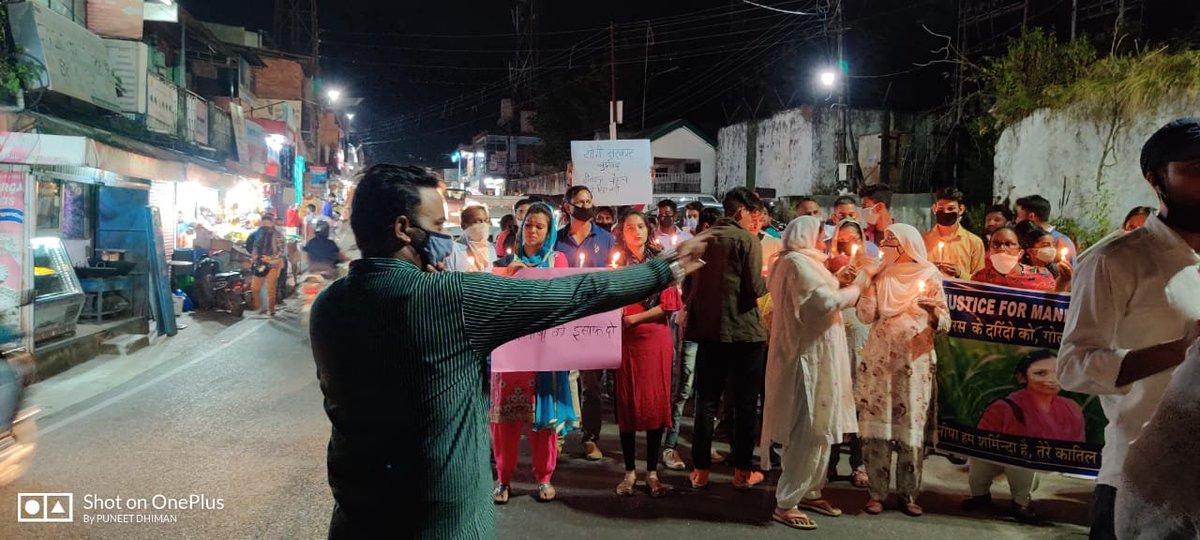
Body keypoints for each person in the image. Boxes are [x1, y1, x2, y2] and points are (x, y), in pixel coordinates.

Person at [309, 164, 709, 538]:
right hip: (443, 522)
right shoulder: (451, 297)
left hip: (357, 519)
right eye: (435, 226)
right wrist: (665, 269)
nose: (446, 237)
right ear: (401, 229)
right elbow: (574, 292)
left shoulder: (328, 307)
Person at [1058, 118, 1200, 540]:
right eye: (1194, 169)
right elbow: (1074, 367)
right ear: (1156, 179)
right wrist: (1183, 349)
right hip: (1140, 480)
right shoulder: (1115, 261)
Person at [762, 216, 863, 530]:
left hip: (819, 357)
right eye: (822, 235)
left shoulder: (804, 262)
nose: (826, 241)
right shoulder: (795, 263)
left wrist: (838, 276)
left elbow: (824, 292)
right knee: (806, 431)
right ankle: (787, 502)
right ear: (806, 235)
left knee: (821, 428)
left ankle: (809, 490)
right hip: (806, 361)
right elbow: (822, 303)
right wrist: (858, 286)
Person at [855, 223, 949, 517]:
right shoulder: (881, 274)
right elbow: (866, 315)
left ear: (907, 245)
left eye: (890, 241)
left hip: (914, 361)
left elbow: (945, 322)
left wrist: (933, 311)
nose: (883, 246)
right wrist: (867, 282)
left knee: (910, 427)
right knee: (877, 427)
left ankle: (909, 493)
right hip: (881, 360)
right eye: (883, 241)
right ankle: (877, 493)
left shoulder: (929, 275)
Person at [490, 202, 574, 505]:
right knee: (505, 422)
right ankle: (503, 479)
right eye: (528, 225)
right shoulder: (504, 263)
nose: (533, 230)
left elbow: (564, 298)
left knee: (544, 422)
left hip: (545, 354)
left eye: (540, 226)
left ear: (550, 231)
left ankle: (544, 477)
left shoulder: (558, 260)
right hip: (511, 354)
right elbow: (492, 302)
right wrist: (510, 276)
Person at [685, 186, 768, 490]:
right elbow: (756, 288)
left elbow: (686, 289)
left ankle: (701, 471)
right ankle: (742, 473)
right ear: (740, 211)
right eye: (753, 214)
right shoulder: (747, 240)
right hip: (745, 333)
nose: (754, 221)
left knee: (706, 401)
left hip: (708, 332)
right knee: (745, 404)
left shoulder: (700, 240)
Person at [961, 350, 1085, 524]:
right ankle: (980, 496)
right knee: (989, 461)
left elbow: (1077, 445)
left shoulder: (1071, 409)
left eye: (1059, 372)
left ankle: (1021, 503)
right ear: (1022, 377)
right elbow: (980, 440)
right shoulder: (1002, 407)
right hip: (1001, 457)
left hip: (1037, 464)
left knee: (1024, 460)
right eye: (1041, 373)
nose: (1052, 379)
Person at [612, 209, 681, 498]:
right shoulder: (616, 263)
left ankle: (652, 472)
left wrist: (633, 320)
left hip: (654, 338)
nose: (636, 232)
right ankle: (629, 471)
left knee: (655, 403)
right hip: (625, 341)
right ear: (622, 232)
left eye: (640, 226)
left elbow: (669, 304)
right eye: (630, 227)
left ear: (647, 230)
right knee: (627, 404)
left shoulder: (661, 261)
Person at [555, 185, 617, 460]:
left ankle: (590, 437)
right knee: (558, 378)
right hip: (562, 317)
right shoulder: (555, 241)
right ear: (568, 206)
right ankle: (556, 434)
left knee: (592, 384)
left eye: (589, 201)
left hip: (595, 318)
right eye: (579, 201)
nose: (585, 205)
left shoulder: (606, 239)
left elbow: (615, 274)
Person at [661, 206, 720, 470]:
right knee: (683, 387)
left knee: (707, 391)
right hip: (691, 328)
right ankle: (669, 445)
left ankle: (702, 444)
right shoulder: (689, 254)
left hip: (714, 330)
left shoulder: (721, 256)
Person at [824, 219, 876, 489]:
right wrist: (835, 277)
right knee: (834, 396)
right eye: (841, 238)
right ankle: (829, 462)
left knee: (860, 399)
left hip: (860, 333)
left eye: (852, 238)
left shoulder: (873, 264)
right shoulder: (827, 263)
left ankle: (859, 463)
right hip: (835, 331)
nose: (846, 243)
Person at [971, 225, 1063, 292]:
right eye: (996, 244)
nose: (1002, 248)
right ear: (989, 251)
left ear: (1020, 252)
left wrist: (1064, 281)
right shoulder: (980, 278)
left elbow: (1054, 308)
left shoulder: (1041, 278)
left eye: (1008, 244)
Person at [924, 186, 986, 279]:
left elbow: (980, 280)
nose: (945, 212)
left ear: (960, 210)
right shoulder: (922, 240)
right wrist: (929, 269)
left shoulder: (974, 242)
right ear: (934, 209)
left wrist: (960, 273)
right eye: (941, 209)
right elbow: (915, 273)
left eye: (951, 208)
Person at [1016, 195, 1078, 263]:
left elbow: (1065, 271)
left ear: (1031, 216)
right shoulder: (1029, 238)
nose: (1017, 221)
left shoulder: (1060, 241)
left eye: (1019, 217)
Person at [1015, 220, 1074, 291]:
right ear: (1031, 251)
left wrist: (1066, 279)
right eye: (1046, 245)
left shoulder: (1055, 269)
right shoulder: (1022, 271)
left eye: (1053, 244)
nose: (1052, 249)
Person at [249, 213, 286, 317]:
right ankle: (259, 307)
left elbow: (280, 252)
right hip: (260, 263)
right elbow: (256, 246)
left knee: (271, 288)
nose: (265, 225)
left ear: (272, 223)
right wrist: (255, 255)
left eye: (267, 223)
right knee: (255, 288)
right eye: (264, 223)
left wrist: (269, 258)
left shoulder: (278, 235)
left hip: (273, 264)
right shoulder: (261, 234)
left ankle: (271, 309)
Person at [449, 205, 495, 273]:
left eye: (486, 220)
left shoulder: (491, 249)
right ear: (463, 225)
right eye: (477, 221)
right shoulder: (453, 251)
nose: (483, 225)